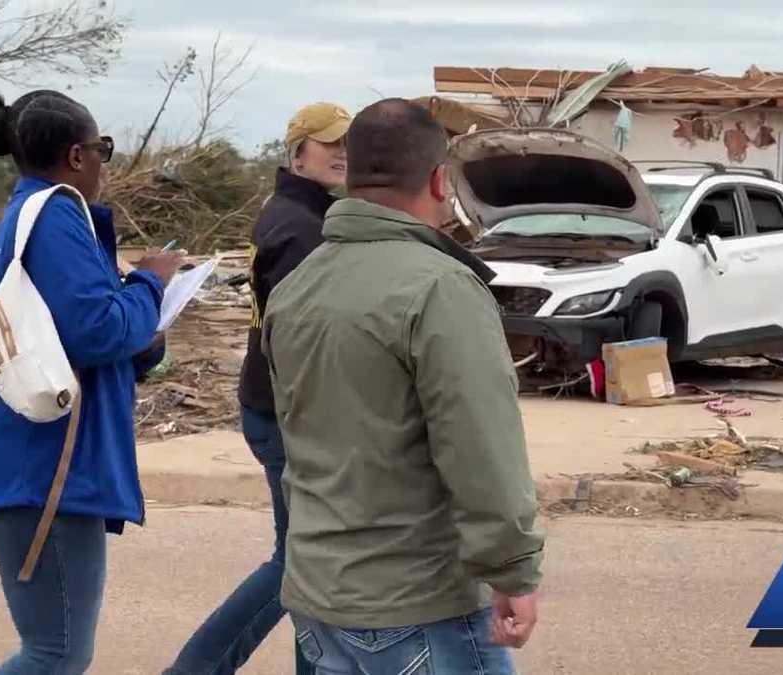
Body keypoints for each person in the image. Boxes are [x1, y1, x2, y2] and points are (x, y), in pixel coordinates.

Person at [260, 99, 545, 674]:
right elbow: (481, 450)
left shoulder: (296, 287)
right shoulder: (440, 288)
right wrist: (512, 571)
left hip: (320, 601)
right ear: (439, 181)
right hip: (419, 604)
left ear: (353, 174)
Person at [0, 90, 183, 674]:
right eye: (103, 149)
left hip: (22, 463)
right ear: (78, 155)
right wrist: (150, 283)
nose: (104, 162)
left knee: (56, 650)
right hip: (38, 468)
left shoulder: (30, 217)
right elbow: (98, 329)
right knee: (55, 653)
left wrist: (143, 340)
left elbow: (72, 337)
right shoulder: (55, 216)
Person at [164, 102, 351, 675]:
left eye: (349, 142)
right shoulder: (303, 229)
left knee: (306, 562)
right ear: (297, 153)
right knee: (299, 564)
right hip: (288, 415)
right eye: (330, 143)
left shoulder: (296, 210)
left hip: (272, 407)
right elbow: (304, 345)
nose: (343, 152)